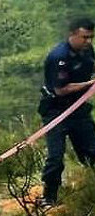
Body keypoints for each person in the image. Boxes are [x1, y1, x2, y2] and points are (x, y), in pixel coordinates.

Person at [39, 17, 95, 205]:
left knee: (91, 152)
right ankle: (49, 197)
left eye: (91, 37)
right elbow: (60, 89)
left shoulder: (88, 52)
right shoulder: (59, 57)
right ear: (72, 35)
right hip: (56, 111)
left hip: (79, 111)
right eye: (84, 37)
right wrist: (89, 84)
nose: (88, 42)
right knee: (56, 157)